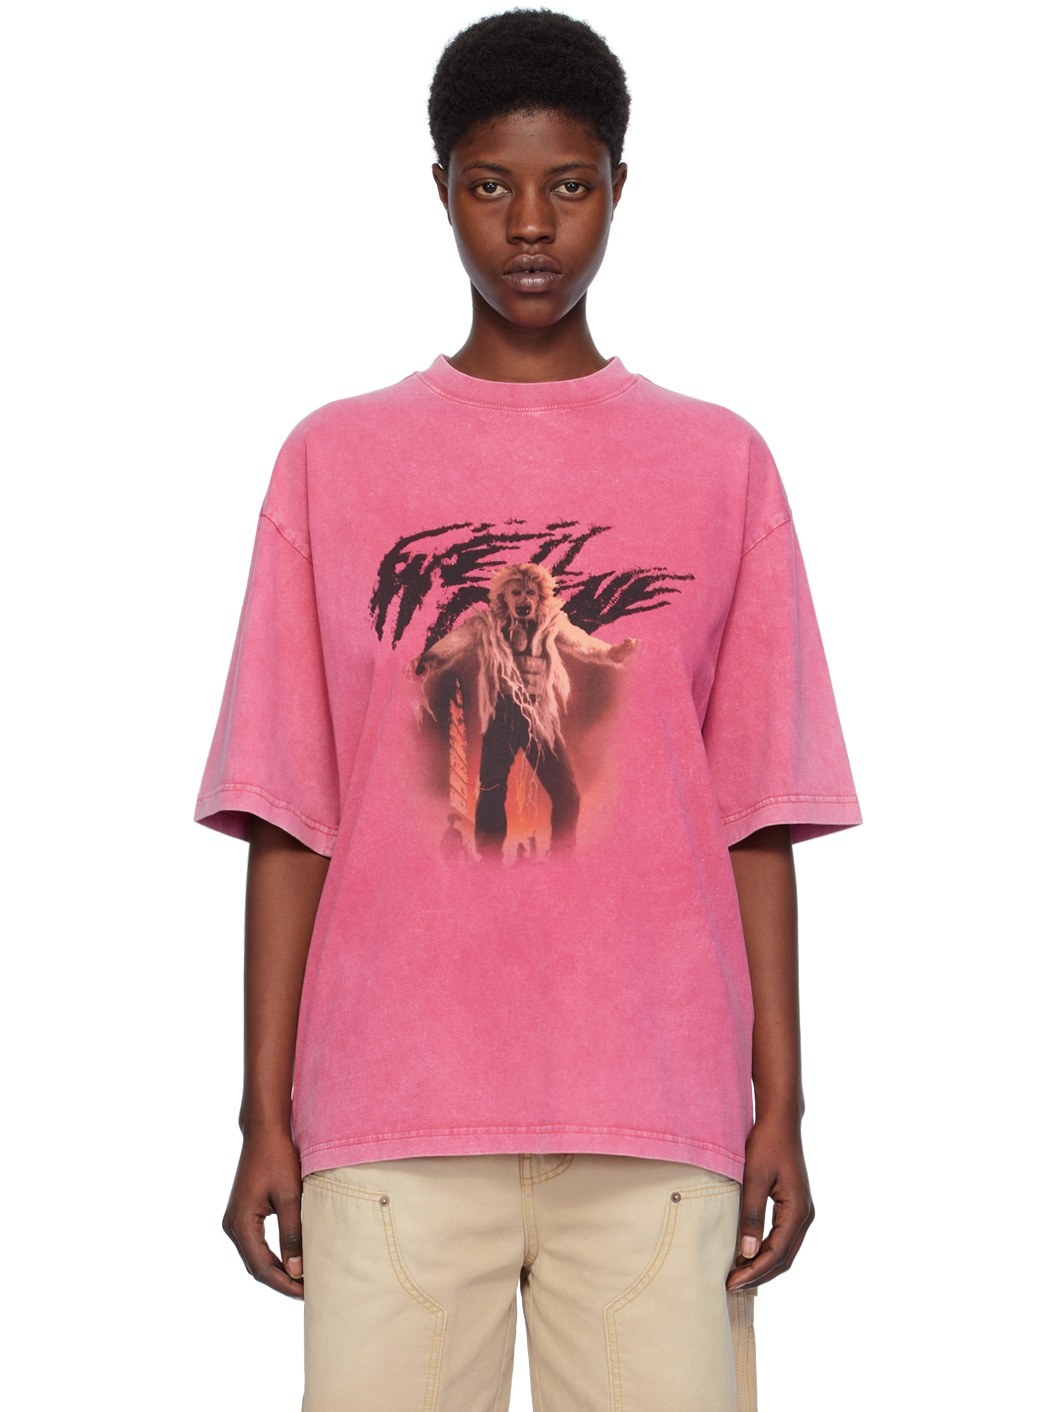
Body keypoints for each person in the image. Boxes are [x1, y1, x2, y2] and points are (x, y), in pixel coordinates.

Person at [194, 10, 861, 1411]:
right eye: (492, 185)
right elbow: (291, 818)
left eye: (570, 184)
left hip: (656, 1113)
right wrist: (263, 1114)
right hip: (390, 1115)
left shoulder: (721, 464)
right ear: (441, 187)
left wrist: (782, 1103)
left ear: (620, 186)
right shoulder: (333, 462)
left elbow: (754, 821)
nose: (533, 227)